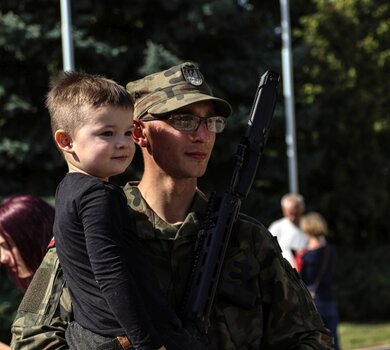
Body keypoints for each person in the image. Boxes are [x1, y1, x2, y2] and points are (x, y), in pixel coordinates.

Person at [11, 62, 334, 349]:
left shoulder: (247, 239)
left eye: (211, 122)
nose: (203, 135)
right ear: (139, 132)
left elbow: (310, 337)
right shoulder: (95, 221)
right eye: (184, 120)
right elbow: (30, 337)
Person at [46, 71, 207, 350]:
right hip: (123, 338)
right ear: (65, 141)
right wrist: (146, 342)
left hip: (93, 334)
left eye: (126, 132)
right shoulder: (99, 196)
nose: (122, 143)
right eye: (106, 134)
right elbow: (111, 272)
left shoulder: (67, 190)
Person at [0, 194, 54, 350]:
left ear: (31, 237)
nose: (3, 258)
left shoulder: (64, 279)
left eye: (7, 246)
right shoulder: (41, 282)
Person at [295, 212, 340, 350]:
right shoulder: (330, 251)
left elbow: (299, 280)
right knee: (333, 342)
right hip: (328, 301)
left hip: (310, 304)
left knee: (313, 344)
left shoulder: (304, 255)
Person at [268, 193, 308, 267]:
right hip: (284, 273)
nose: (293, 215)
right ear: (284, 210)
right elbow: (268, 249)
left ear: (302, 208)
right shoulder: (277, 227)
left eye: (296, 210)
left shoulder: (310, 226)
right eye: (289, 212)